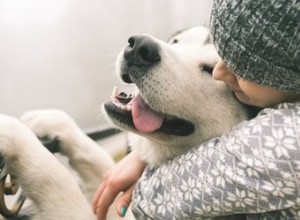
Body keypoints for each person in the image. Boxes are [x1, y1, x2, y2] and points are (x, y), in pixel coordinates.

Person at [93, 0, 300, 219]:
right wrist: (144, 155)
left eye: (208, 69)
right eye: (175, 41)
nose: (220, 71)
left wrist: (149, 167)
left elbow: (153, 200)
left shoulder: (287, 144)